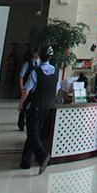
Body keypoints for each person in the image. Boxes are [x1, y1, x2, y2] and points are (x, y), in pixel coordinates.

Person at [19, 45, 59, 174]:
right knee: (34, 133)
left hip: (35, 106)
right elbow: (56, 90)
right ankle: (26, 161)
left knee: (32, 133)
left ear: (40, 56)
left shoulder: (36, 72)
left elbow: (26, 90)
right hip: (47, 107)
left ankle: (42, 155)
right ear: (51, 57)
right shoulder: (56, 72)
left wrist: (21, 104)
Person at [17, 45, 39, 131]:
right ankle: (21, 124)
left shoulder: (41, 64)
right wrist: (21, 87)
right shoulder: (27, 63)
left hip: (36, 90)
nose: (37, 55)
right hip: (27, 88)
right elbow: (21, 76)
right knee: (24, 106)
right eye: (36, 53)